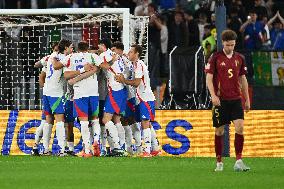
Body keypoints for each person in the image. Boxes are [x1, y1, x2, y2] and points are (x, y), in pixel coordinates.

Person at [205, 30, 250, 172]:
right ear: (222, 43)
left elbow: (243, 79)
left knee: (240, 128)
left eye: (232, 45)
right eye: (228, 44)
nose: (230, 47)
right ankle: (219, 162)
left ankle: (239, 161)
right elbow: (209, 78)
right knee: (219, 131)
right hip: (221, 100)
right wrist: (213, 95)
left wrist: (247, 98)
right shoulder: (215, 57)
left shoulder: (240, 58)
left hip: (236, 99)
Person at [115, 44, 160, 157]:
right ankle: (155, 148)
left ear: (137, 54)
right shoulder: (135, 64)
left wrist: (123, 80)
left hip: (145, 97)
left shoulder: (139, 65)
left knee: (145, 123)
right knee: (147, 123)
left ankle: (146, 151)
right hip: (141, 98)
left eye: (131, 52)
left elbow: (136, 83)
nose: (129, 53)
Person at [63, 41, 102, 157]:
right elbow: (99, 67)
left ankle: (87, 150)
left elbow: (66, 75)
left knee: (84, 122)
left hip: (80, 93)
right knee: (95, 119)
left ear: (77, 49)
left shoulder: (71, 57)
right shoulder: (93, 56)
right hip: (94, 93)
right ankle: (96, 142)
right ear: (88, 48)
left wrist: (75, 78)